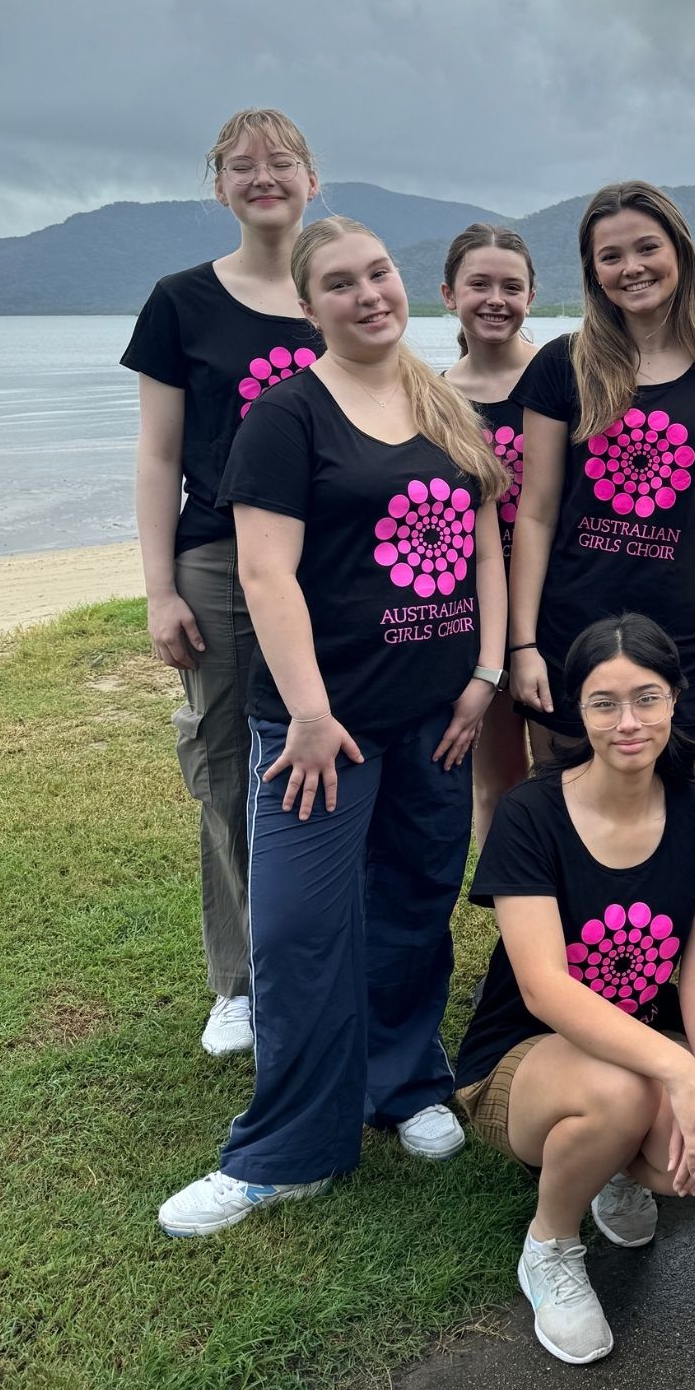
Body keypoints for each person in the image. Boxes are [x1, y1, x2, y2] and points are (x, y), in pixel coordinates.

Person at [158, 216, 509, 1237]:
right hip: (324, 728)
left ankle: (405, 1083)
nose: (369, 295)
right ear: (309, 309)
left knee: (412, 903)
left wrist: (484, 671)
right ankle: (288, 1148)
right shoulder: (286, 414)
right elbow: (265, 569)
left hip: (435, 720)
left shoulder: (439, 400)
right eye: (342, 284)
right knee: (302, 929)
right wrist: (308, 710)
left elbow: (483, 532)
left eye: (381, 273)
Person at [510, 181, 695, 1100]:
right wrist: (521, 644)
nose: (631, 268)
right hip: (572, 638)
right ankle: (598, 1033)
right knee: (581, 836)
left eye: (644, 248)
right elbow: (535, 512)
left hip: (694, 640)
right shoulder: (560, 365)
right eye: (609, 255)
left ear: (680, 251)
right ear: (591, 271)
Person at [456, 613, 695, 1365]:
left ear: (677, 699)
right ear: (574, 710)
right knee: (622, 1093)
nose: (628, 722)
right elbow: (546, 987)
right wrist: (679, 1068)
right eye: (603, 702)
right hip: (519, 1060)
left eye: (647, 698)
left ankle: (608, 1163)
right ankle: (550, 1243)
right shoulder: (531, 813)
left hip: (640, 1049)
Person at [123, 108, 323, 1058]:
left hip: (330, 565)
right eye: (242, 166)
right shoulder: (180, 301)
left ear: (311, 180)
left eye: (280, 162)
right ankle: (241, 979)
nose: (262, 177)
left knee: (329, 754)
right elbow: (159, 455)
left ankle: (328, 953)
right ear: (219, 187)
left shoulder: (337, 292)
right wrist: (159, 587)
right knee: (227, 763)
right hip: (215, 559)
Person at [440, 223, 540, 842]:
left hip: (557, 596)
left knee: (569, 762)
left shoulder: (565, 378)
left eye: (512, 286)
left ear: (532, 295)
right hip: (473, 607)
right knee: (495, 774)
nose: (495, 299)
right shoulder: (434, 398)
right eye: (479, 284)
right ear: (449, 294)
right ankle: (513, 913)